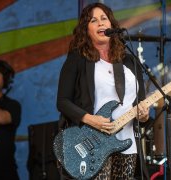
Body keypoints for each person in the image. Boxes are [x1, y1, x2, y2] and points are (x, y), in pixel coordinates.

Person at [56, 3, 150, 179]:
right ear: (86, 29)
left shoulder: (129, 61)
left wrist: (144, 115)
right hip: (93, 143)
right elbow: (62, 101)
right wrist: (92, 120)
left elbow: (140, 103)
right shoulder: (77, 59)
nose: (100, 23)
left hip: (126, 143)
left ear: (112, 26)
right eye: (94, 20)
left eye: (104, 18)